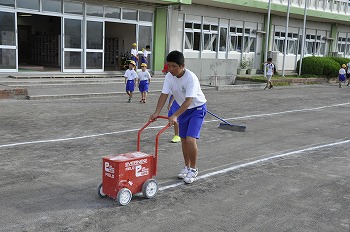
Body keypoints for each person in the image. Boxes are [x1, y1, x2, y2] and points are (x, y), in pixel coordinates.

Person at [149, 50, 207, 184]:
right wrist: (156, 112)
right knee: (183, 140)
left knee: (191, 139)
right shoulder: (169, 76)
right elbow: (164, 94)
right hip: (184, 110)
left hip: (197, 109)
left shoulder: (190, 78)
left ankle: (193, 168)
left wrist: (174, 116)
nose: (171, 69)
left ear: (182, 66)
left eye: (174, 66)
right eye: (169, 66)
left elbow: (189, 100)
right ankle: (187, 167)